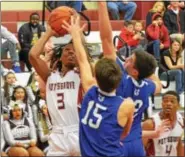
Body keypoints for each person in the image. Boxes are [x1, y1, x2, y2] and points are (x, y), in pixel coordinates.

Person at [62, 12, 135, 156]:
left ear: (96, 77)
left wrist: (75, 34)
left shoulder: (89, 89)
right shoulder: (127, 105)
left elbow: (82, 59)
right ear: (118, 80)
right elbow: (124, 133)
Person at [97, 2, 162, 156]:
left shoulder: (121, 79)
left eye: (130, 60)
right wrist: (146, 69)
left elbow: (106, 39)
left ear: (134, 71)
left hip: (118, 141)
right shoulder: (148, 86)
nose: (126, 60)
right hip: (136, 143)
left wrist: (101, 4)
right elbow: (158, 84)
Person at [29, 20, 83, 156]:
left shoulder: (83, 74)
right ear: (59, 58)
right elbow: (33, 55)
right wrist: (49, 33)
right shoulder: (49, 76)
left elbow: (83, 54)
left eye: (75, 51)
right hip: (57, 133)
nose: (71, 53)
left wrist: (75, 31)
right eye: (67, 50)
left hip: (79, 130)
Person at [142, 90, 184, 156]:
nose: (168, 104)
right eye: (165, 101)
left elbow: (178, 144)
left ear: (178, 105)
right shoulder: (150, 124)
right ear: (162, 104)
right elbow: (140, 149)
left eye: (172, 101)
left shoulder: (181, 121)